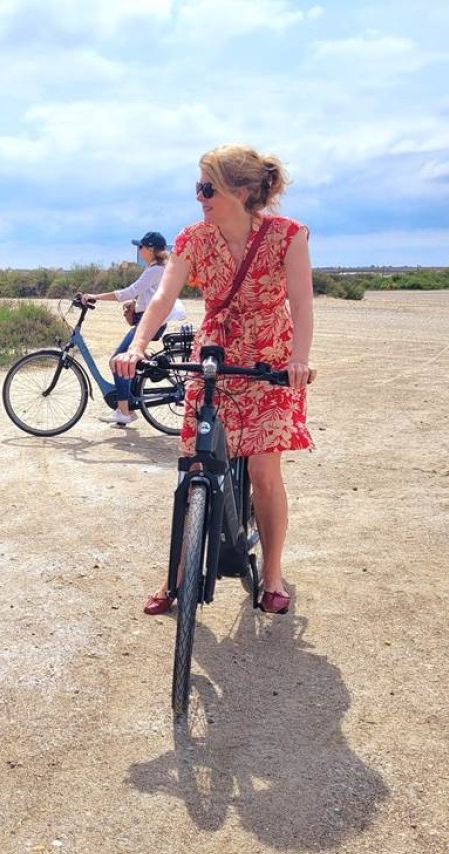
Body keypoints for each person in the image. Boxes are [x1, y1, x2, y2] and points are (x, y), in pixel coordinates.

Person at [112, 144, 315, 616]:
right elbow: (163, 297)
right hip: (216, 353)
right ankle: (177, 577)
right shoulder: (193, 238)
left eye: (208, 187)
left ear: (241, 191)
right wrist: (139, 345)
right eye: (198, 187)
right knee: (194, 467)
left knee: (265, 474)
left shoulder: (288, 236)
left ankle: (271, 575)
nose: (199, 196)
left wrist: (300, 360)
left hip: (270, 358)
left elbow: (302, 304)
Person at [76, 231, 187, 426]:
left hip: (149, 321)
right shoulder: (158, 268)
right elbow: (148, 294)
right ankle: (126, 404)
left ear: (150, 249)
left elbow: (130, 290)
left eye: (140, 247)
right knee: (126, 362)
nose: (138, 250)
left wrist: (96, 296)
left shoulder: (155, 270)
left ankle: (124, 411)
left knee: (118, 361)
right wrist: (134, 304)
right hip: (152, 318)